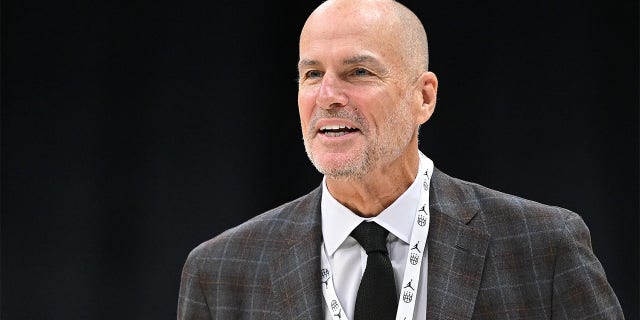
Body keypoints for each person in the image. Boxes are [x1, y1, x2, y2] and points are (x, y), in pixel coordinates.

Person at [177, 0, 624, 319]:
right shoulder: (221, 271)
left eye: (359, 72)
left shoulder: (542, 247)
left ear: (423, 97)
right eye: (312, 74)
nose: (327, 96)